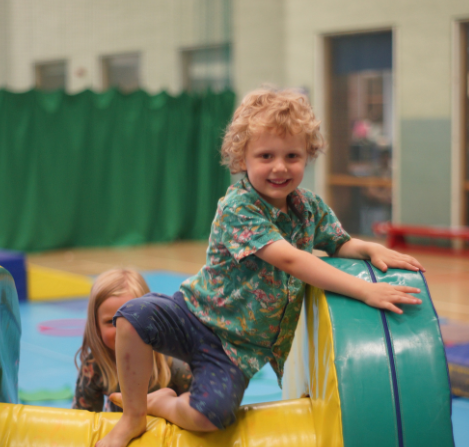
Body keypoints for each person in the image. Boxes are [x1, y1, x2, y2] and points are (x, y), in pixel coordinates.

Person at [96, 88, 424, 447]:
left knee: (209, 419)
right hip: (194, 316)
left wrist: (369, 248)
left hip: (236, 350)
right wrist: (365, 289)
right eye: (266, 155)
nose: (280, 167)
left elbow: (338, 241)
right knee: (132, 315)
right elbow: (290, 259)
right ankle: (132, 417)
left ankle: (165, 402)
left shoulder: (309, 208)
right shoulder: (239, 206)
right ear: (242, 158)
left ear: (308, 156)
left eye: (292, 156)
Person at [73, 269, 192, 412]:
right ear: (96, 326)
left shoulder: (174, 361)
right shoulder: (95, 366)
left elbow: (205, 408)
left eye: (131, 319)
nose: (122, 331)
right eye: (111, 322)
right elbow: (82, 419)